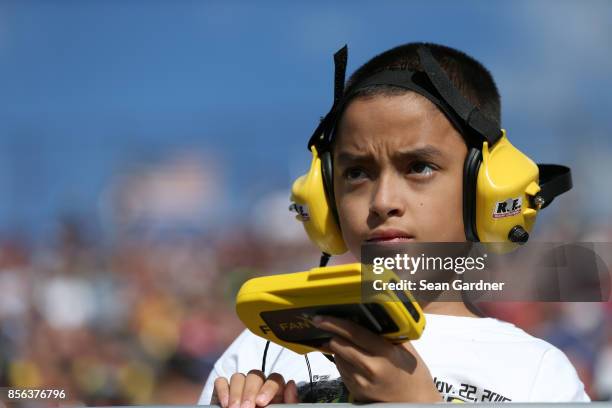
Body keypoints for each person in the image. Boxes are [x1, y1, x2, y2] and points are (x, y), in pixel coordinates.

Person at [197, 42, 590, 405]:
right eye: (356, 173)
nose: (383, 201)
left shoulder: (538, 374)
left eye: (419, 167)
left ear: (487, 189)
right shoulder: (260, 350)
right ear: (324, 198)